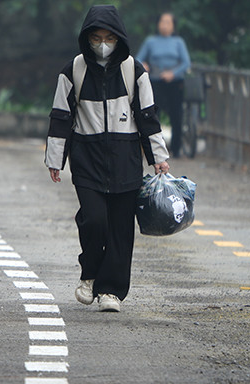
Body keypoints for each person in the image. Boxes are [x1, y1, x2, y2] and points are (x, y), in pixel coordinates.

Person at [45, 5, 170, 313]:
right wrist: (55, 159)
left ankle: (111, 291)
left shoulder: (134, 71)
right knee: (94, 219)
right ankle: (89, 273)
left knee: (120, 228)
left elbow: (148, 116)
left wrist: (158, 157)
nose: (103, 44)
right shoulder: (72, 71)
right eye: (96, 38)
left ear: (119, 39)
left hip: (125, 159)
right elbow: (60, 117)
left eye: (109, 38)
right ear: (86, 39)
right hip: (86, 159)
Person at [136, 12, 192, 158]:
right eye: (162, 22)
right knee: (153, 114)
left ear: (173, 26)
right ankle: (153, 147)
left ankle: (176, 148)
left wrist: (173, 73)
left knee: (176, 115)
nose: (165, 25)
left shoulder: (178, 42)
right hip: (155, 81)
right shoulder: (151, 41)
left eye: (168, 22)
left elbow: (186, 63)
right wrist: (144, 65)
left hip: (174, 82)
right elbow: (138, 58)